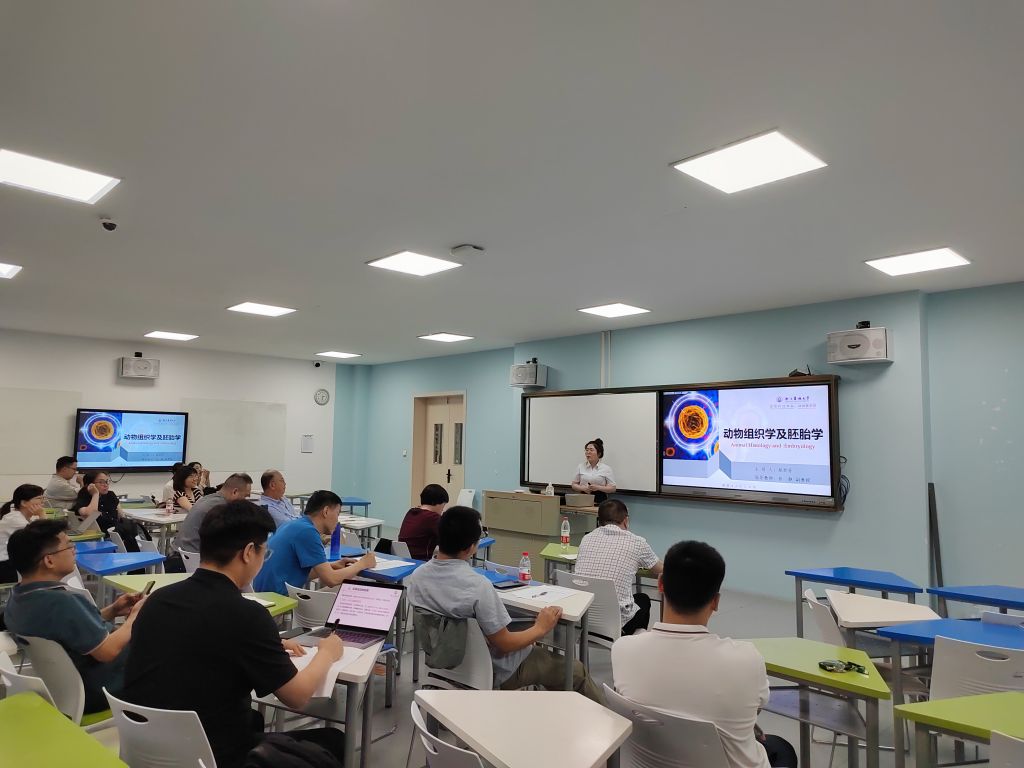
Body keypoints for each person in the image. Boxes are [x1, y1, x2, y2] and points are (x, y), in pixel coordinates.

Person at [122, 501, 346, 768]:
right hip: (210, 756)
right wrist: (326, 653)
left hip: (148, 750)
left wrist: (268, 644)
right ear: (249, 552)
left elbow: (199, 641)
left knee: (254, 719)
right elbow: (297, 696)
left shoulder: (157, 600)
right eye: (265, 552)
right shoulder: (247, 615)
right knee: (334, 740)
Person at [611, 540, 798, 768]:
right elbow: (755, 707)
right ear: (716, 601)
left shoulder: (623, 650)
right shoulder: (747, 660)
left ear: (660, 584)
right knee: (781, 749)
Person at [406, 505, 604, 702]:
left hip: (443, 665)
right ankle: (606, 719)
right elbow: (505, 644)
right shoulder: (478, 586)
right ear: (471, 547)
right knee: (575, 671)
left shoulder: (418, 576)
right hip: (494, 670)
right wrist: (540, 628)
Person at [4, 520, 146, 714]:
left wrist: (113, 610)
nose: (74, 550)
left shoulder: (19, 598)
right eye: (69, 546)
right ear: (49, 561)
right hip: (103, 688)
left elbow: (70, 628)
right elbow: (107, 651)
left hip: (62, 688)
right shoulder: (63, 602)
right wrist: (135, 616)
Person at [253, 490, 375, 595]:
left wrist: (331, 566)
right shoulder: (308, 532)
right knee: (349, 589)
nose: (338, 520)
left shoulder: (294, 525)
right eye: (337, 514)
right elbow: (331, 580)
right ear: (326, 511)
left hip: (265, 595)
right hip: (280, 599)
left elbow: (296, 573)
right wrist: (362, 564)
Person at [574, 499, 662, 635]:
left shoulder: (587, 538)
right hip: (615, 623)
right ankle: (632, 642)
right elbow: (660, 569)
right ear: (626, 520)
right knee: (643, 599)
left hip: (583, 617)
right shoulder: (637, 542)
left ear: (599, 521)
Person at [175, 473, 253, 554]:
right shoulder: (221, 507)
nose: (245, 501)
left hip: (181, 552)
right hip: (196, 556)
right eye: (245, 496)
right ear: (235, 492)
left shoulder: (207, 499)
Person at [71, 471, 149, 551]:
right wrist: (95, 494)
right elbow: (90, 514)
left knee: (133, 528)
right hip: (100, 539)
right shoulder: (84, 498)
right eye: (101, 482)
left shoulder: (110, 495)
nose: (106, 485)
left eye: (107, 481)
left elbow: (121, 515)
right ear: (90, 485)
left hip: (118, 534)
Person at [0, 484, 47, 583]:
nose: (43, 501)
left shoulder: (19, 516)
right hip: (3, 564)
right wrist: (42, 514)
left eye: (43, 498)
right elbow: (46, 538)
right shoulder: (16, 519)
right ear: (24, 503)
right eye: (39, 498)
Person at [398, 483, 448, 560]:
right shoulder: (433, 517)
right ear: (435, 502)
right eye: (443, 506)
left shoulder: (411, 512)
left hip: (402, 557)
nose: (442, 510)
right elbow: (448, 539)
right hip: (420, 561)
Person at [570, 438, 616, 503]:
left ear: (599, 454)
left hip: (600, 500)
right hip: (583, 498)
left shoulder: (606, 468)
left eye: (591, 450)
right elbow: (574, 485)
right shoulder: (580, 466)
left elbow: (613, 488)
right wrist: (583, 488)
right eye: (587, 450)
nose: (588, 452)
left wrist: (598, 487)